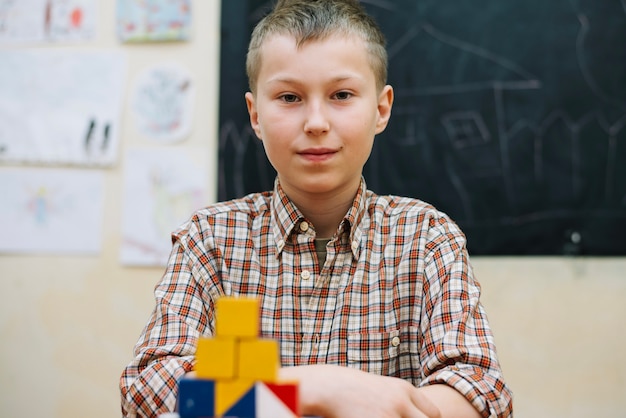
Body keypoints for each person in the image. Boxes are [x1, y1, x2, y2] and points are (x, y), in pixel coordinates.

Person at [120, 0, 513, 416]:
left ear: (381, 108)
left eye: (341, 95)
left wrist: (249, 397)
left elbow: (481, 393)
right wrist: (314, 388)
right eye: (289, 97)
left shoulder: (428, 238)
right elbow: (150, 390)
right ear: (255, 115)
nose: (316, 122)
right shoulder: (210, 240)